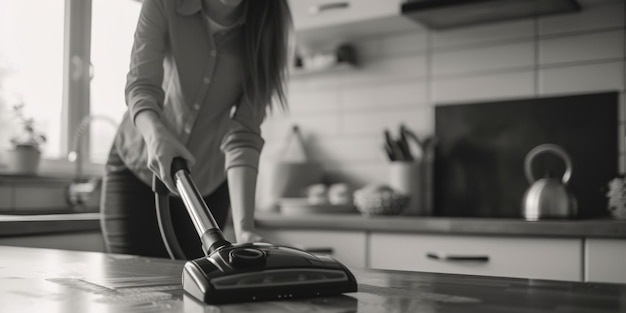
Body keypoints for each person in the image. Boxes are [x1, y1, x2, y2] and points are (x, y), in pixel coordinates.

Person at [100, 0, 293, 259]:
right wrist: (157, 136)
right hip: (137, 170)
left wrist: (244, 230)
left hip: (206, 188)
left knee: (196, 292)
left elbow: (244, 133)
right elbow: (142, 85)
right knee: (133, 289)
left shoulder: (268, 25)